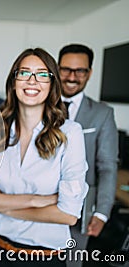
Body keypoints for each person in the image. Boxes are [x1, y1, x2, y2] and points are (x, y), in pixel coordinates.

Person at [0, 48, 88, 266]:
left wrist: (3, 204)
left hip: (45, 257)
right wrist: (36, 201)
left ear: (52, 84)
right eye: (24, 73)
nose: (32, 81)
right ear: (13, 81)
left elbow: (68, 215)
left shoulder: (70, 133)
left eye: (42, 74)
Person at [58, 44, 119, 267]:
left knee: (71, 263)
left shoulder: (103, 113)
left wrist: (102, 213)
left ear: (89, 73)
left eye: (80, 71)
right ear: (57, 69)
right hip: (37, 205)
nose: (72, 77)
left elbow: (108, 166)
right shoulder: (39, 104)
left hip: (80, 210)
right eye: (66, 69)